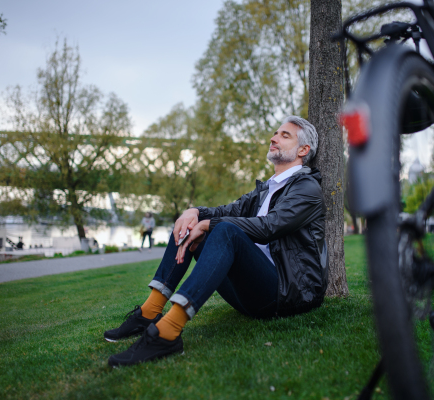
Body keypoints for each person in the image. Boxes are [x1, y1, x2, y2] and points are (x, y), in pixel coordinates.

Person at [104, 115, 327, 367]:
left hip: (286, 294)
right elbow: (227, 210)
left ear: (303, 150)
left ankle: (167, 333)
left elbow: (269, 227)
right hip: (253, 293)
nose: (273, 138)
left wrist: (209, 224)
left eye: (284, 135)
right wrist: (195, 212)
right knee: (188, 226)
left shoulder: (307, 188)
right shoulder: (267, 188)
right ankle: (148, 313)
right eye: (275, 133)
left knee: (225, 230)